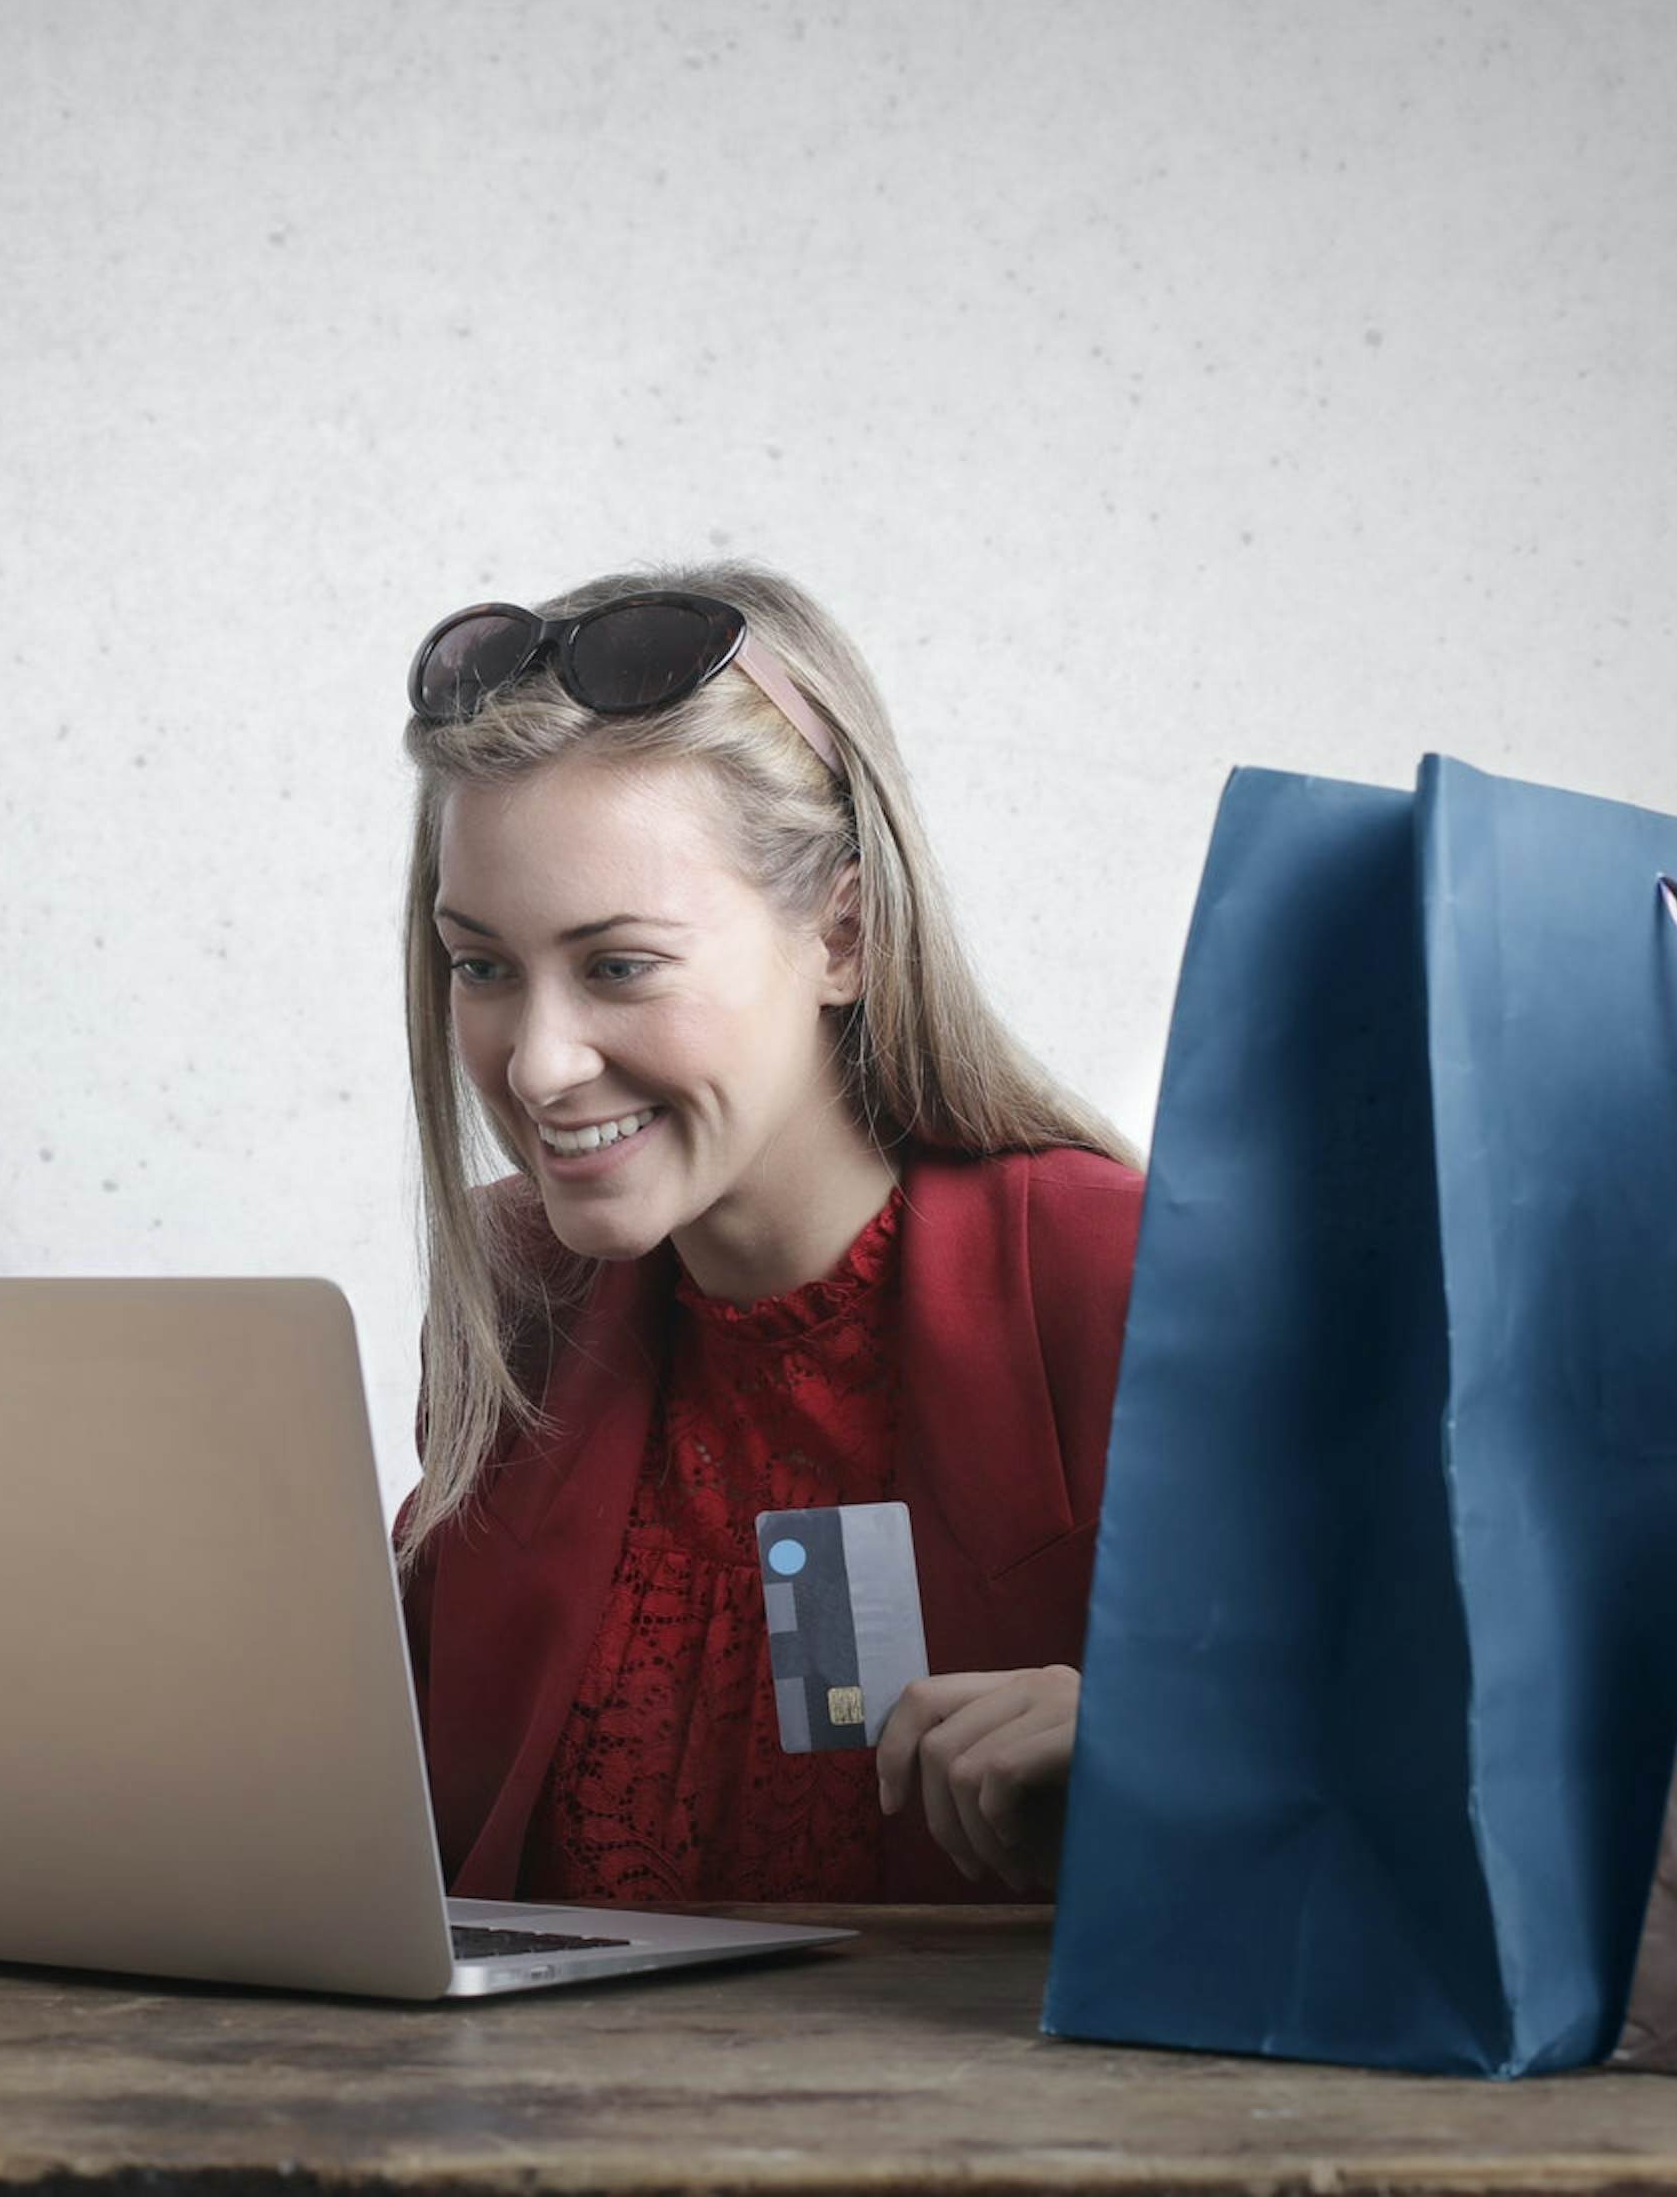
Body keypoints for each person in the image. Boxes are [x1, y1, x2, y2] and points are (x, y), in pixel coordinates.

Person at [392, 562, 1143, 1905]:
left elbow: (1414, 1759)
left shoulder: (1113, 1280)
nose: (539, 1064)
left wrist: (1172, 1760)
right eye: (482, 965)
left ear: (843, 934)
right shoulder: (522, 1302)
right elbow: (401, 1818)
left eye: (619, 964)